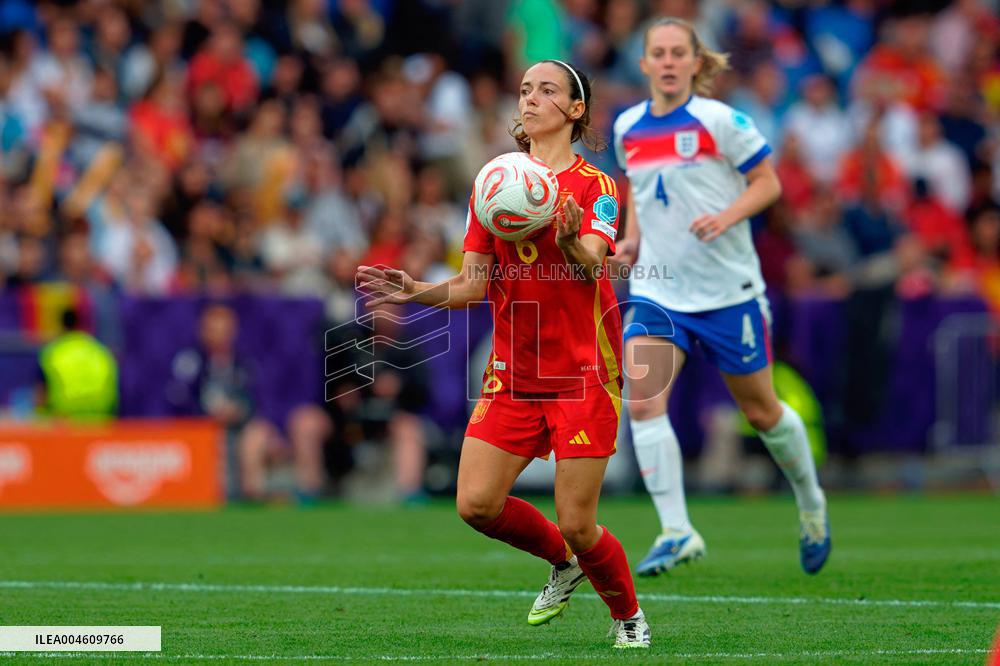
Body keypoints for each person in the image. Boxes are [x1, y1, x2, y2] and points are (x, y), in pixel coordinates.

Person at [357, 59, 650, 649]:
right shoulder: (493, 183)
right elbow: (472, 284)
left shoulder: (597, 186)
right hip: (513, 372)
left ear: (576, 109)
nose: (530, 98)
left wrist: (567, 236)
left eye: (547, 90)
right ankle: (562, 563)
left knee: (578, 519)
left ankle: (629, 620)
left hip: (583, 372)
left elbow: (594, 262)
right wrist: (417, 290)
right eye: (524, 90)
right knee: (476, 504)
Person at [611, 17, 831, 577]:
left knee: (761, 412)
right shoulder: (628, 127)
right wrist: (631, 238)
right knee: (643, 401)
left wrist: (727, 215)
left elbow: (768, 183)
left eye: (676, 52)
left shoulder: (721, 121)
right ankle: (677, 530)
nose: (665, 61)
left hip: (727, 293)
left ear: (693, 62)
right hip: (658, 289)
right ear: (644, 64)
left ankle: (810, 502)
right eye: (656, 52)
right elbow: (636, 188)